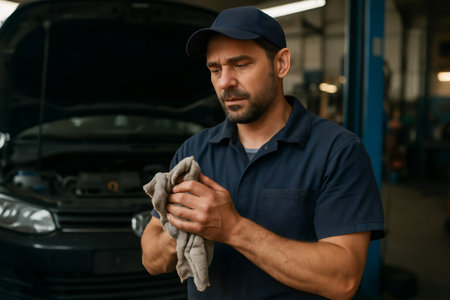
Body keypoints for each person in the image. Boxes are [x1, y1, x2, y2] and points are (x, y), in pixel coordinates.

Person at [141, 6, 384, 300]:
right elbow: (152, 261)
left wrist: (232, 229)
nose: (225, 82)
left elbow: (343, 280)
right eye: (215, 69)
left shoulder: (338, 151)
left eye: (240, 64)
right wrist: (179, 229)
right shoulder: (194, 152)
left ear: (281, 64)